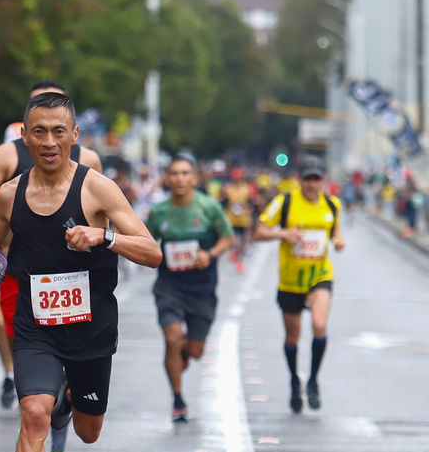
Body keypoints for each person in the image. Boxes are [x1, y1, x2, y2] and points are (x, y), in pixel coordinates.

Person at [0, 91, 160, 452]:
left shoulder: (99, 189)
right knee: (33, 412)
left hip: (91, 330)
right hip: (36, 326)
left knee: (88, 431)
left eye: (59, 131)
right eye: (39, 132)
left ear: (75, 135)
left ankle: (68, 403)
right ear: (25, 136)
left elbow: (152, 252)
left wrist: (104, 236)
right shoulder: (10, 194)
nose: (49, 141)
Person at [0, 80, 102, 452]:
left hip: (77, 282)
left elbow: (106, 213)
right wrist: (25, 210)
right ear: (26, 126)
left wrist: (100, 236)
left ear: (71, 126)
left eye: (57, 124)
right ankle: (33, 410)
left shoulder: (89, 160)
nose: (48, 138)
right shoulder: (9, 155)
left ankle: (58, 442)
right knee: (33, 370)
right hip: (23, 274)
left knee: (73, 395)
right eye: (38, 123)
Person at [145, 154, 234, 422]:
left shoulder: (209, 207)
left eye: (185, 173)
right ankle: (178, 400)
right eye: (174, 173)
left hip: (202, 288)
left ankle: (183, 352)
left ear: (195, 179)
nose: (179, 179)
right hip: (169, 286)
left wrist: (211, 254)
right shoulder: (159, 211)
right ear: (166, 178)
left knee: (195, 352)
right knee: (172, 337)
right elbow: (146, 241)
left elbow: (227, 238)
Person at [254, 156, 344, 414]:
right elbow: (258, 232)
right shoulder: (284, 202)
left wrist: (338, 241)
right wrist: (283, 233)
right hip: (290, 280)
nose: (312, 184)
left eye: (317, 179)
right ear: (298, 178)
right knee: (292, 337)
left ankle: (313, 380)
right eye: (307, 179)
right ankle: (295, 380)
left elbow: (335, 231)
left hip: (320, 274)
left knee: (319, 325)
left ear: (323, 179)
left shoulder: (332, 204)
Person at [221, 167, 256, 273]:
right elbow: (223, 202)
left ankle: (240, 260)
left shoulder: (248, 188)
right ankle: (235, 253)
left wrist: (249, 210)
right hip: (231, 218)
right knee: (234, 240)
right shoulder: (227, 188)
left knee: (243, 240)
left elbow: (252, 203)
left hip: (244, 218)